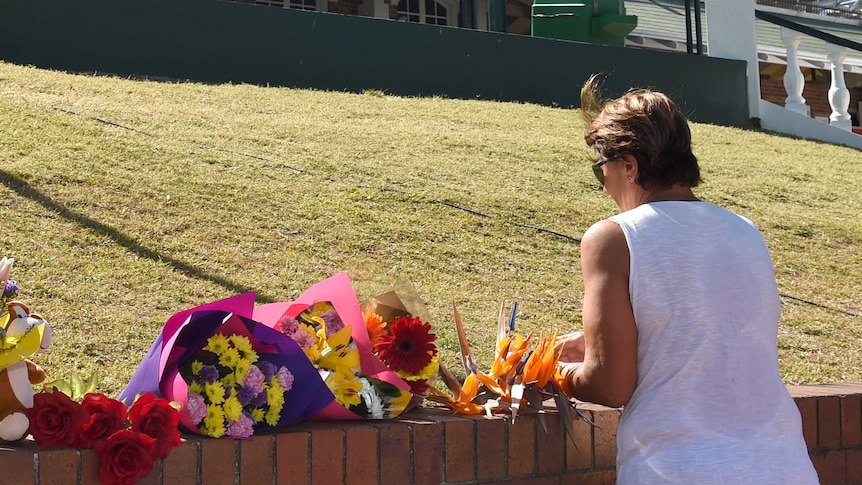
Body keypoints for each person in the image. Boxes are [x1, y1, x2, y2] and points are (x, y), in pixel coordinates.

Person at [555, 76, 819, 484]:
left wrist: (551, 370)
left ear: (629, 164)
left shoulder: (613, 236)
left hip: (679, 469)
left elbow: (610, 387)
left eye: (599, 169)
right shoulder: (745, 230)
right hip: (785, 465)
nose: (604, 186)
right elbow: (710, 339)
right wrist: (601, 343)